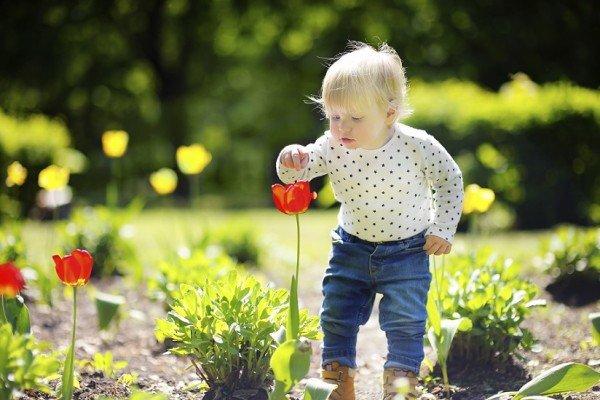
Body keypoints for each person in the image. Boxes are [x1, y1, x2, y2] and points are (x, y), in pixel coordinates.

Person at [275, 41, 464, 400]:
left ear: (389, 114)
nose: (342, 127)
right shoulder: (331, 145)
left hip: (408, 250)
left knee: (406, 321)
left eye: (355, 118)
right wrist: (291, 159)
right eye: (334, 117)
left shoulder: (416, 145)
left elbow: (449, 179)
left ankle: (401, 382)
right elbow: (294, 176)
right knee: (336, 313)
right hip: (351, 247)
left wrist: (442, 227)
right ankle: (336, 376)